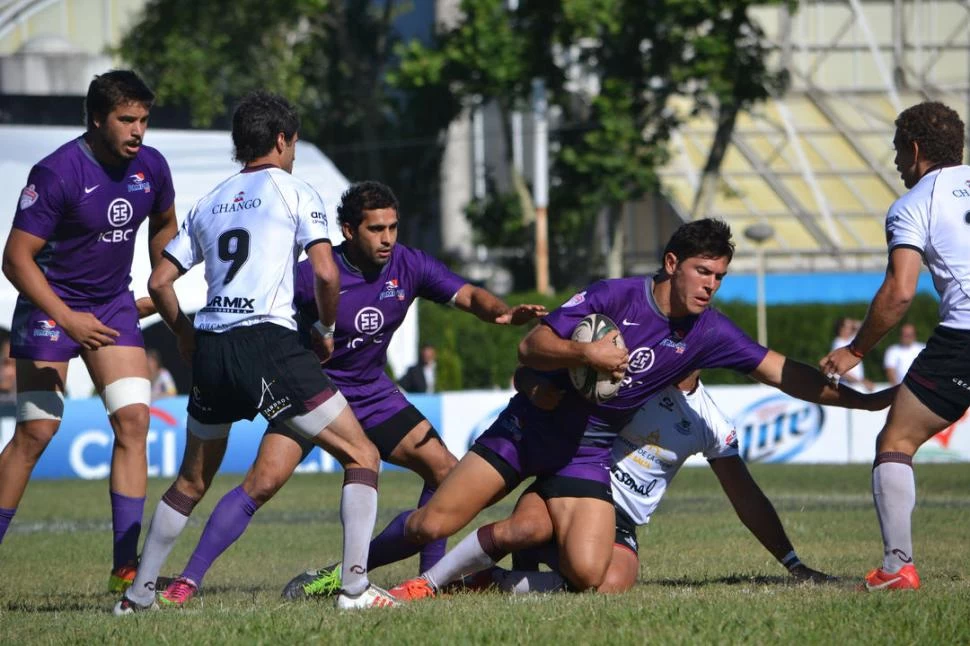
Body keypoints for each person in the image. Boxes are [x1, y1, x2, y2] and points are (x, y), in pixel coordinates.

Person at [384, 217, 894, 601]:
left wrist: (863, 402)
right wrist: (583, 354)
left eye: (719, 276)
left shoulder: (710, 333)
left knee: (592, 576)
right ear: (672, 264)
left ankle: (462, 582)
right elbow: (531, 349)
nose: (710, 285)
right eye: (702, 271)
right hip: (530, 429)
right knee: (432, 524)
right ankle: (353, 573)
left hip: (586, 452)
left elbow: (786, 373)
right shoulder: (615, 297)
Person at [114, 92, 393, 614]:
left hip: (213, 348)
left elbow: (159, 281)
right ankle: (354, 591)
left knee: (191, 481)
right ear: (284, 140)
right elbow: (327, 272)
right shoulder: (294, 190)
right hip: (269, 342)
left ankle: (136, 596)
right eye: (294, 144)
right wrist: (328, 329)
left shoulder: (210, 200)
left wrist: (183, 334)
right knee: (363, 455)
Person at [240, 180, 542, 600]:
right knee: (263, 482)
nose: (387, 238)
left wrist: (503, 313)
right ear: (348, 230)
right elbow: (265, 321)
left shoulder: (408, 265)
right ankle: (177, 582)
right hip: (316, 392)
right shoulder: (313, 273)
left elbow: (469, 293)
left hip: (371, 392)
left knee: (445, 470)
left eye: (393, 228)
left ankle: (420, 579)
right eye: (376, 229)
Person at [411, 369, 836, 595]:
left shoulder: (712, 424)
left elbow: (746, 498)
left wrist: (792, 563)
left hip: (621, 520)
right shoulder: (621, 379)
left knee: (609, 587)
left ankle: (491, 582)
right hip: (569, 487)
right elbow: (536, 373)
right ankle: (430, 584)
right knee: (523, 529)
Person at [0, 70, 177, 593]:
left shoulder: (152, 167)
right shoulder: (57, 171)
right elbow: (15, 258)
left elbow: (165, 221)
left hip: (112, 305)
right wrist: (67, 317)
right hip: (49, 304)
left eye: (144, 119)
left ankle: (126, 569)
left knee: (134, 424)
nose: (138, 131)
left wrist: (158, 274)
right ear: (97, 118)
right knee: (36, 432)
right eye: (127, 119)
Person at [820, 101, 970, 592]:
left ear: (916, 148)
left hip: (964, 335)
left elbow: (899, 291)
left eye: (897, 152)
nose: (896, 164)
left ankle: (896, 567)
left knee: (897, 442)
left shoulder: (913, 204)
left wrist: (855, 351)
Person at [831, 318, 874, 391]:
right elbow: (841, 370)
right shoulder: (838, 344)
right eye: (849, 327)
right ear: (841, 329)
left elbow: (864, 327)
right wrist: (862, 382)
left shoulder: (850, 341)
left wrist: (853, 324)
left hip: (855, 386)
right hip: (847, 387)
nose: (852, 329)